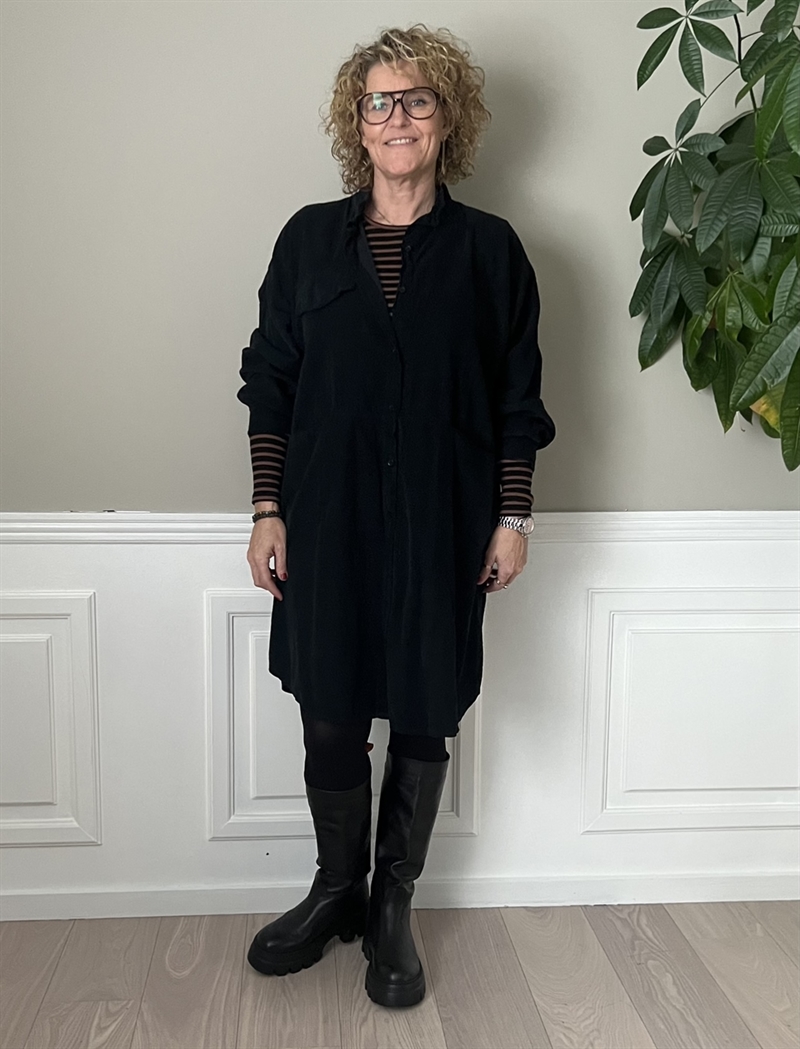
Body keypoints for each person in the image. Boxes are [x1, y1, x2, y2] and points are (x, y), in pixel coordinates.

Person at [236, 24, 556, 1009]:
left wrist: (512, 516)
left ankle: (391, 905)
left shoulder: (490, 252)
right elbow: (270, 380)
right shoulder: (306, 241)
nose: (396, 117)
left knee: (423, 707)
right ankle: (336, 887)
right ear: (357, 123)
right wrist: (267, 506)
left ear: (446, 118)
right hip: (325, 522)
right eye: (378, 102)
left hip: (444, 523)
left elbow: (516, 397)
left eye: (417, 99)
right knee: (330, 712)